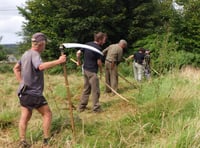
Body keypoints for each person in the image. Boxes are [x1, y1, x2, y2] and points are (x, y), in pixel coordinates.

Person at [13, 32, 67, 147]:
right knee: (47, 114)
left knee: (25, 116)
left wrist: (22, 82)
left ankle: (22, 141)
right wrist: (59, 61)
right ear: (41, 44)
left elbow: (16, 68)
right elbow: (40, 66)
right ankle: (47, 140)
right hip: (34, 93)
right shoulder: (35, 54)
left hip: (24, 92)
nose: (45, 46)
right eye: (45, 44)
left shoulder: (25, 54)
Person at [76, 32, 107, 113]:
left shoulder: (88, 44)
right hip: (92, 71)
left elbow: (78, 52)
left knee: (86, 89)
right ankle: (96, 109)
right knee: (95, 90)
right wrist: (101, 71)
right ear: (100, 39)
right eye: (104, 40)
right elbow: (99, 62)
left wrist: (78, 61)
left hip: (85, 70)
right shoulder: (98, 49)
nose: (104, 42)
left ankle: (81, 107)